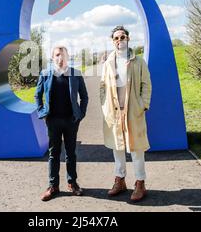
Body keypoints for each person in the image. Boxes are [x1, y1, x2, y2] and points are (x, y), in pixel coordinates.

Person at [99, 26, 152, 202]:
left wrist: (143, 105)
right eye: (116, 38)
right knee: (117, 148)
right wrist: (105, 106)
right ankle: (120, 180)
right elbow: (102, 87)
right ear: (112, 41)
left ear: (128, 39)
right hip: (114, 112)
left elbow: (146, 85)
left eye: (122, 37)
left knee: (136, 149)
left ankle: (140, 183)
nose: (119, 40)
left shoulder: (138, 61)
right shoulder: (108, 63)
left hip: (132, 111)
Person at [35, 46, 89, 201]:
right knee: (54, 153)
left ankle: (72, 183)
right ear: (53, 58)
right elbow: (37, 95)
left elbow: (84, 96)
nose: (61, 57)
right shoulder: (45, 74)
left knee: (71, 153)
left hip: (71, 121)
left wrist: (81, 113)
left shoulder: (75, 74)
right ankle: (53, 186)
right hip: (52, 120)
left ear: (68, 57)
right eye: (57, 55)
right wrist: (42, 112)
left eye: (63, 54)